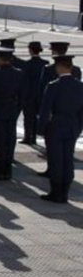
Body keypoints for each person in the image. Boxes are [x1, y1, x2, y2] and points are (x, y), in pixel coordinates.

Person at [37, 54, 83, 203]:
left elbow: (45, 110)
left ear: (60, 67)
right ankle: (65, 191)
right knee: (68, 159)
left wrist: (41, 129)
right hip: (72, 124)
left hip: (56, 124)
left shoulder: (53, 85)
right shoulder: (79, 85)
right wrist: (79, 127)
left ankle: (56, 192)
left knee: (56, 159)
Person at [0, 48, 26, 181]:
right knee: (10, 140)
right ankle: (8, 170)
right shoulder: (19, 73)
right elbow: (22, 95)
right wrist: (17, 109)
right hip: (12, 110)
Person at [21, 41, 48, 144]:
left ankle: (28, 137)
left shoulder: (27, 64)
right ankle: (35, 136)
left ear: (30, 50)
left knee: (28, 117)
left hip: (30, 94)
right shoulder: (45, 63)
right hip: (41, 94)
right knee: (38, 116)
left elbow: (25, 81)